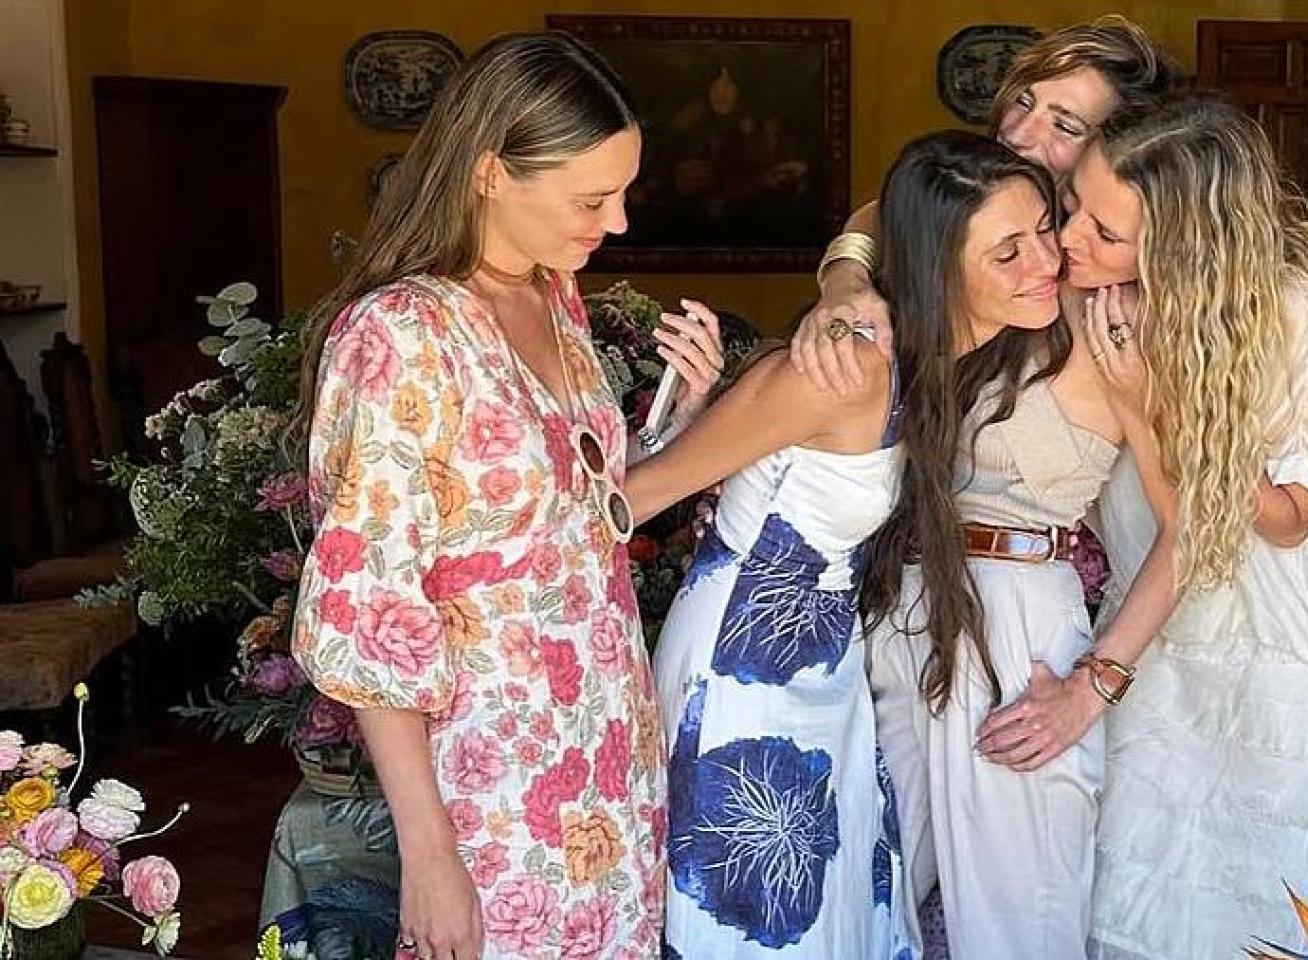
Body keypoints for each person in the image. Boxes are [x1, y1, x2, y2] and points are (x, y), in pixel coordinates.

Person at [290, 32, 722, 960]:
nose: (618, 223)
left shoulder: (553, 295)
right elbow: (370, 610)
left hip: (606, 744)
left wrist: (676, 426)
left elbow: (572, 515)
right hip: (491, 776)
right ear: (491, 172)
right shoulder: (401, 335)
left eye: (622, 194)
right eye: (592, 199)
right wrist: (429, 854)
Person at [981, 94, 1308, 959]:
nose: (1070, 239)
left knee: (1253, 888)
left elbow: (1287, 521)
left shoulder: (1284, 309)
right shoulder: (1092, 286)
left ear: (1183, 246)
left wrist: (1153, 407)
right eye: (1074, 205)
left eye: (1105, 231)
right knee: (1138, 870)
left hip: (1285, 630)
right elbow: (913, 216)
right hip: (1164, 600)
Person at [617, 139, 974, 960]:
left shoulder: (914, 360)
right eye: (1010, 249)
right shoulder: (841, 365)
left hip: (820, 657)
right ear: (941, 262)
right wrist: (684, 422)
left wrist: (843, 277)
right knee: (750, 908)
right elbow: (635, 500)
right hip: (739, 665)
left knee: (826, 901)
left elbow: (882, 214)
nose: (1046, 262)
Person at [859, 131, 1132, 960]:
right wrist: (844, 278)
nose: (1046, 260)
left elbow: (1193, 527)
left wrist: (1094, 686)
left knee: (1022, 917)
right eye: (1008, 251)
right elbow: (876, 218)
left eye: (1046, 229)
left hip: (1020, 629)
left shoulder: (1106, 322)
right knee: (875, 895)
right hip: (903, 619)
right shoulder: (945, 338)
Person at [796, 15, 1179, 391]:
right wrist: (845, 280)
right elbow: (885, 213)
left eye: (1065, 126)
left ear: (1119, 150)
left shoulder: (1135, 281)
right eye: (1023, 101)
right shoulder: (979, 189)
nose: (1017, 133)